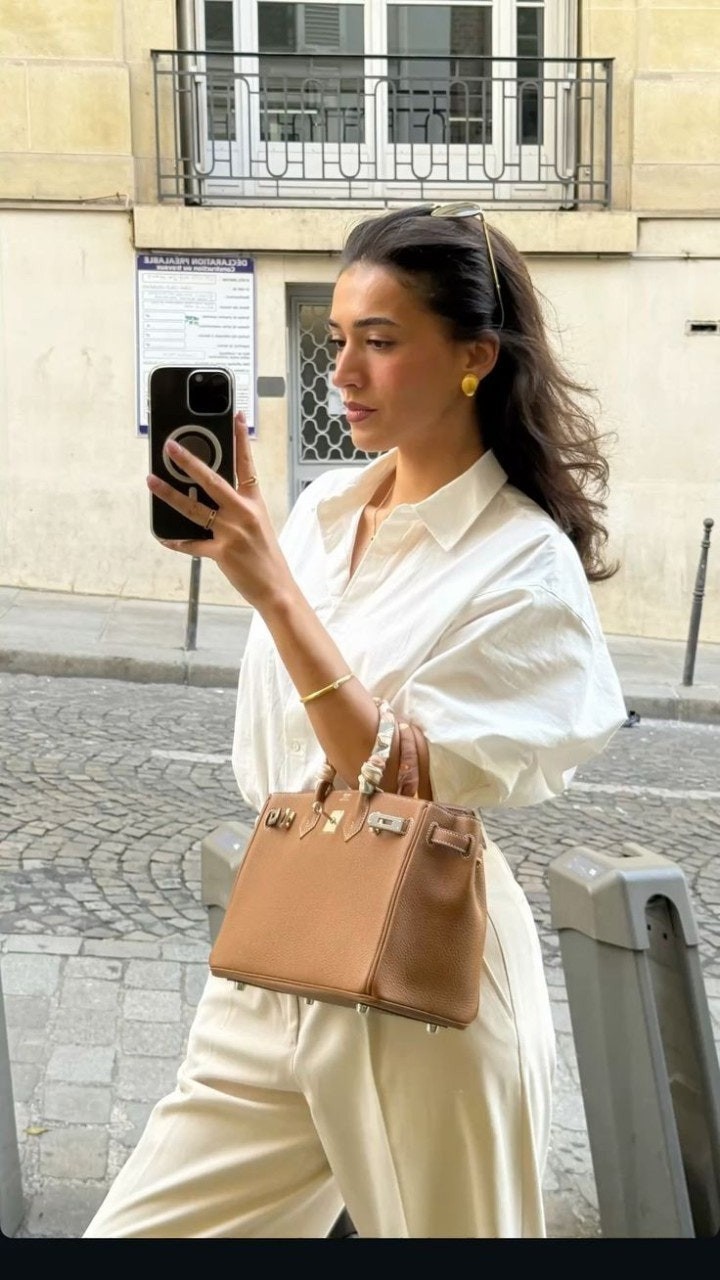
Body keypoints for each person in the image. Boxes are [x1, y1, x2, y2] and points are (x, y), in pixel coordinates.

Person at [84, 202, 627, 1239]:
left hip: (424, 973)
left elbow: (398, 776)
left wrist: (271, 592)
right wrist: (275, 567)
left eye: (379, 341)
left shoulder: (523, 564)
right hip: (278, 943)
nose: (342, 371)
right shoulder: (323, 515)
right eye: (336, 339)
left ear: (473, 358)